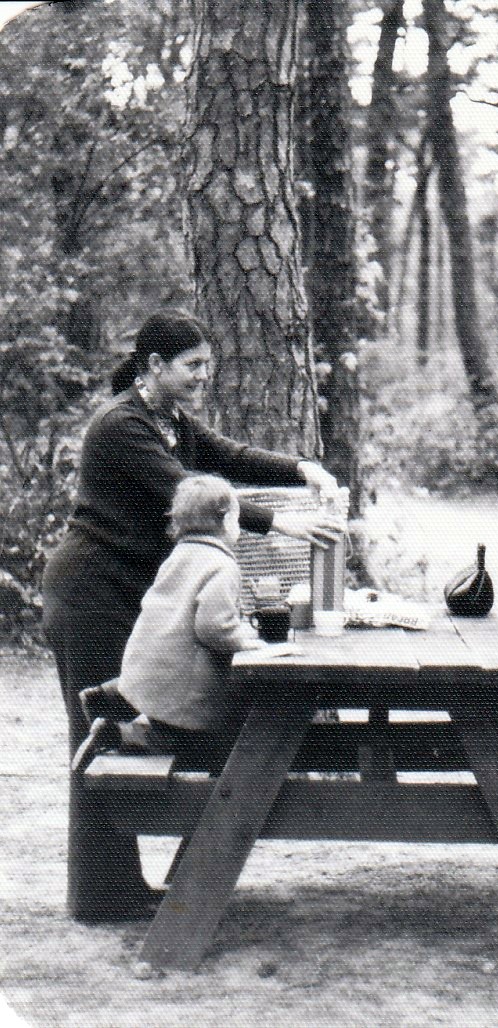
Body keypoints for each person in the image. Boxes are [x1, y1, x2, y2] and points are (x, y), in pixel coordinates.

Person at [43, 309, 343, 923]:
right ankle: (101, 895)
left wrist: (297, 469)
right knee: (100, 736)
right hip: (89, 594)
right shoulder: (120, 425)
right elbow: (190, 493)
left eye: (208, 365)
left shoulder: (166, 417)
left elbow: (224, 455)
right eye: (193, 367)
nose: (204, 377)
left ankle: (120, 888)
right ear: (154, 367)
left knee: (119, 732)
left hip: (129, 593)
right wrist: (277, 519)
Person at [74, 475, 266, 775]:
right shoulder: (222, 565)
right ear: (228, 521)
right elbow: (213, 628)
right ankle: (116, 734)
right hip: (180, 686)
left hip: (145, 672)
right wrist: (245, 639)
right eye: (238, 519)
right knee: (185, 742)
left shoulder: (178, 555)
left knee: (165, 715)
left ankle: (109, 697)